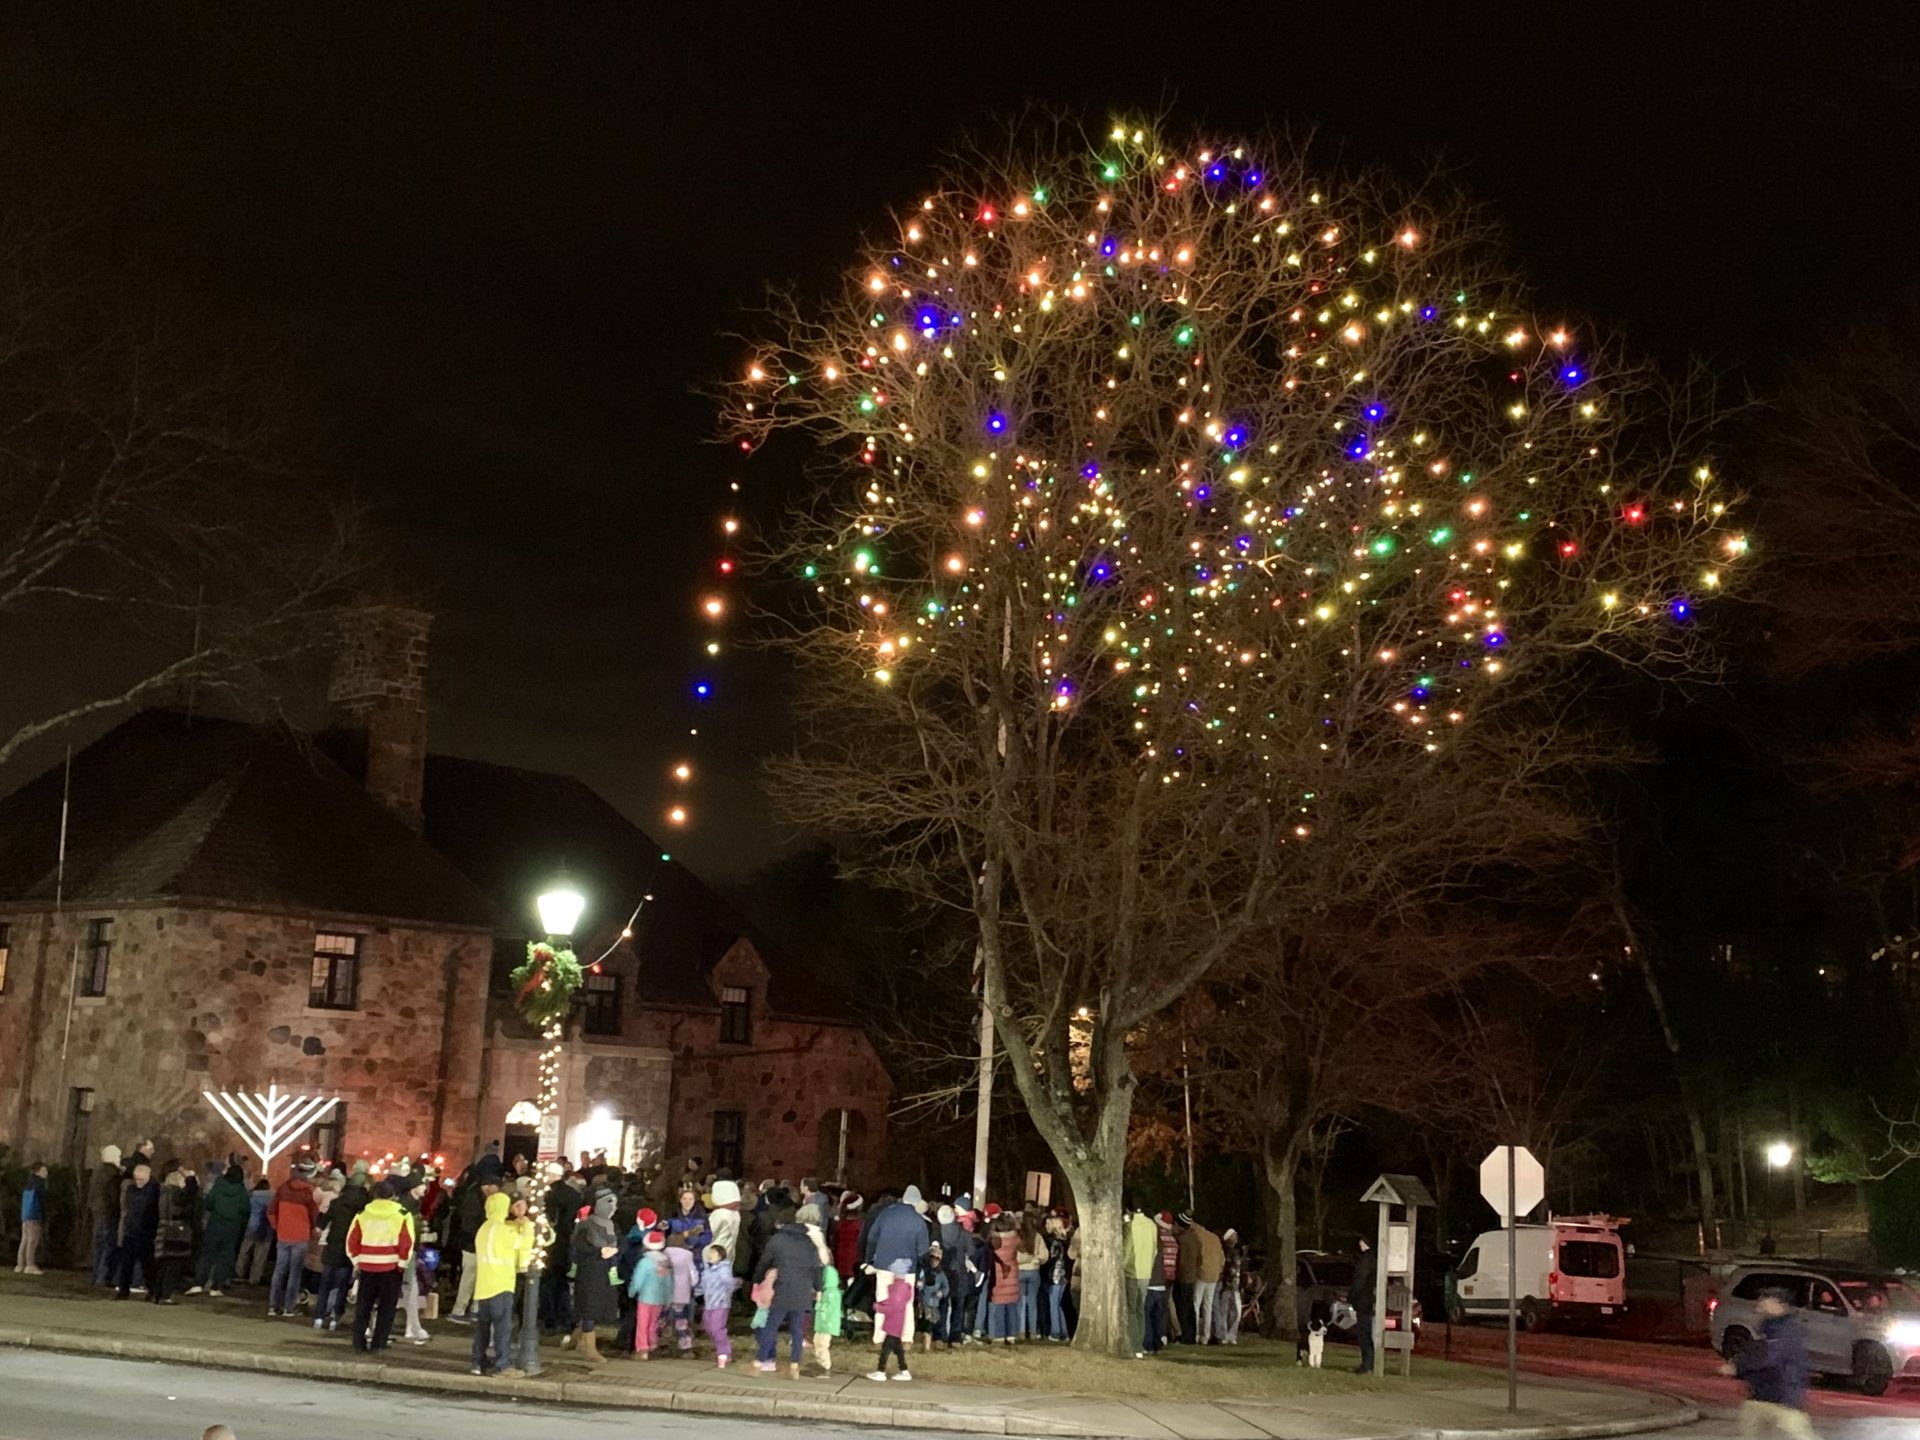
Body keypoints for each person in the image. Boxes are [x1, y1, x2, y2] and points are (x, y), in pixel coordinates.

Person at [345, 1179, 415, 1354]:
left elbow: (351, 1241)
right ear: (392, 1196)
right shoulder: (402, 1214)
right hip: (391, 1267)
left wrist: (356, 1261)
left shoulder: (362, 1214)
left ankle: (358, 1343)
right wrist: (402, 1264)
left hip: (367, 1265)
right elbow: (407, 1241)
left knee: (363, 1306)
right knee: (387, 1307)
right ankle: (379, 1343)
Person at [754, 1208, 823, 1378]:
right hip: (802, 1289)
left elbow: (765, 1261)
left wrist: (756, 1279)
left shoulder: (778, 1239)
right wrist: (819, 1287)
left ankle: (760, 1360)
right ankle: (794, 1365)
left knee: (772, 1325)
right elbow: (816, 1267)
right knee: (797, 1330)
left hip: (783, 1287)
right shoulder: (809, 1242)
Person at [468, 1190, 525, 1376]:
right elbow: (521, 1244)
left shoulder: (483, 1228)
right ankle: (502, 1365)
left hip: (483, 1285)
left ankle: (478, 1362)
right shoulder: (503, 1230)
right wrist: (526, 1226)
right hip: (501, 1284)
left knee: (482, 1328)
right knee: (502, 1328)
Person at [571, 1185, 622, 1363]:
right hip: (590, 1271)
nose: (612, 1207)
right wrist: (598, 1251)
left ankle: (579, 1339)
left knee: (598, 1308)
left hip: (606, 1272)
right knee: (589, 1308)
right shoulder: (586, 1225)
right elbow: (578, 1248)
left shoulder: (613, 1226)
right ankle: (589, 1347)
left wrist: (615, 1251)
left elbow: (620, 1244)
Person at [267, 1160, 319, 1317]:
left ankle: (273, 1305)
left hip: (283, 1235)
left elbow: (271, 1211)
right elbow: (314, 1215)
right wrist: (311, 1229)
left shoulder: (283, 1188)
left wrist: (278, 1227)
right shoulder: (308, 1192)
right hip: (300, 1236)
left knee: (279, 1270)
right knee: (295, 1273)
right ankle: (289, 1307)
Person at [188, 1163, 250, 1297]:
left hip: (215, 1223)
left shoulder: (218, 1186)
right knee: (224, 1257)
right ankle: (216, 1287)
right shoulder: (242, 1191)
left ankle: (199, 1283)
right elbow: (246, 1209)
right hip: (232, 1226)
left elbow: (209, 1203)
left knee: (207, 1255)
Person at [1176, 1213, 1225, 1345]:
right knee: (1208, 1306)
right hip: (1214, 1275)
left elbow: (1199, 1257)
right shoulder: (1214, 1238)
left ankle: (1195, 1334)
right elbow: (1222, 1258)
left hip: (1201, 1274)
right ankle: (1206, 1336)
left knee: (1196, 1304)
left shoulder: (1197, 1236)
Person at [115, 1159, 159, 1300]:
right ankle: (124, 1290)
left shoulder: (154, 1190)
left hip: (146, 1232)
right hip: (132, 1230)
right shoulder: (131, 1190)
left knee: (148, 1265)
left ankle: (152, 1290)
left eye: (141, 1179)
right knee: (127, 1264)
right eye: (136, 1179)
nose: (138, 1182)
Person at [152, 1164, 194, 1303]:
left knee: (163, 1264)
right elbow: (191, 1191)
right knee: (173, 1264)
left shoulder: (163, 1192)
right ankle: (166, 1295)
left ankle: (156, 1294)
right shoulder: (176, 1194)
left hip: (163, 1230)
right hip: (175, 1232)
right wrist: (189, 1177)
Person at [868, 1261, 913, 1382]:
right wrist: (881, 1304)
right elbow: (893, 1302)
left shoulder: (897, 1289)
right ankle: (904, 1371)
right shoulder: (903, 1288)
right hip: (897, 1324)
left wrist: (879, 1308)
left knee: (885, 1349)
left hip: (893, 1324)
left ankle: (881, 1371)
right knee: (898, 1350)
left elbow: (893, 1307)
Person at [1122, 1202, 1157, 1358]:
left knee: (1130, 1308)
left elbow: (1127, 1249)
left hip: (1132, 1271)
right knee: (1140, 1309)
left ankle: (1134, 1344)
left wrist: (1121, 1266)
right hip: (1146, 1271)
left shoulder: (1129, 1226)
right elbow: (1155, 1249)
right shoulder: (1151, 1225)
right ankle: (1140, 1344)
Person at [630, 1230, 671, 1358]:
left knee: (642, 1323)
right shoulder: (665, 1263)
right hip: (659, 1298)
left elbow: (638, 1279)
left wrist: (632, 1291)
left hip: (645, 1297)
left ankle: (642, 1349)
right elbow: (669, 1282)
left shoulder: (645, 1262)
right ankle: (653, 1344)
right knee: (653, 1322)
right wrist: (668, 1298)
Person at [88, 1145, 124, 1286]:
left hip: (97, 1212)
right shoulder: (112, 1174)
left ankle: (96, 1275)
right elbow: (113, 1195)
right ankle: (102, 1277)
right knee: (107, 1245)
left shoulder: (97, 1172)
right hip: (108, 1213)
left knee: (98, 1245)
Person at [699, 1243, 738, 1365]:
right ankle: (722, 1347)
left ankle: (724, 1353)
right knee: (709, 1327)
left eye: (713, 1253)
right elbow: (702, 1284)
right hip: (709, 1303)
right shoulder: (707, 1269)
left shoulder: (724, 1269)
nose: (710, 1255)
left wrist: (730, 1288)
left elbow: (729, 1283)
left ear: (720, 1255)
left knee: (717, 1328)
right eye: (710, 1253)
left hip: (720, 1304)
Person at [1348, 1237, 1378, 1376]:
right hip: (1372, 1300)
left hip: (1364, 1301)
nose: (1359, 1244)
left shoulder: (1365, 1260)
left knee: (1364, 1334)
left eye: (1361, 1241)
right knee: (1369, 1334)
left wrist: (1352, 1297)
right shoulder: (1375, 1258)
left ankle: (1367, 1365)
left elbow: (1359, 1280)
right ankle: (1370, 1363)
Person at [236, 1178, 273, 1287]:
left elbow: (244, 1210)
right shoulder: (274, 1197)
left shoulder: (251, 1196)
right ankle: (255, 1278)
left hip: (251, 1226)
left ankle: (239, 1272)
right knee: (260, 1256)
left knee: (244, 1251)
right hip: (266, 1229)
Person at [1016, 1210, 1048, 1338]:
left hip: (1020, 1270)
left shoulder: (1018, 1237)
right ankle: (1033, 1331)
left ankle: (1022, 1330)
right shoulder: (1038, 1237)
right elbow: (1044, 1256)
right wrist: (1035, 1260)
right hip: (1033, 1271)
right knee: (1032, 1302)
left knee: (1021, 1302)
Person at [1042, 1213, 1073, 1341]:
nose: (1046, 1226)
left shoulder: (1054, 1242)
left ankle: (1055, 1332)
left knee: (1053, 1304)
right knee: (1058, 1304)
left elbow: (1051, 1259)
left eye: (1048, 1224)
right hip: (1064, 1275)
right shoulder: (1065, 1240)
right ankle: (1064, 1332)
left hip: (1055, 1275)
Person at [916, 1241, 951, 1353]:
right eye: (932, 1258)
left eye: (937, 1259)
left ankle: (926, 1347)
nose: (934, 1261)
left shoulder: (941, 1275)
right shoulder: (924, 1272)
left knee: (928, 1326)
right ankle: (924, 1345)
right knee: (923, 1326)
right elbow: (919, 1283)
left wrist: (941, 1293)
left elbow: (946, 1287)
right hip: (923, 1304)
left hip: (933, 1305)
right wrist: (919, 1284)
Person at [14, 1161, 47, 1274]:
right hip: (35, 1214)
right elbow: (42, 1200)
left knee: (25, 1239)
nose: (46, 1172)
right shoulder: (39, 1183)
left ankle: (20, 1264)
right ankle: (30, 1264)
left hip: (26, 1214)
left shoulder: (29, 1182)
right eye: (44, 1170)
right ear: (38, 1171)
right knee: (33, 1241)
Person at [1213, 1228, 1243, 1345]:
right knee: (1224, 1311)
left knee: (1237, 1312)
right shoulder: (1225, 1252)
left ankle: (1232, 1334)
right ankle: (1224, 1334)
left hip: (1235, 1286)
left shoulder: (1237, 1252)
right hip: (1227, 1285)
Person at [709, 1178, 744, 1270]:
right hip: (728, 1251)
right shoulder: (735, 1213)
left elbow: (709, 1232)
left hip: (715, 1253)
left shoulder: (720, 1214)